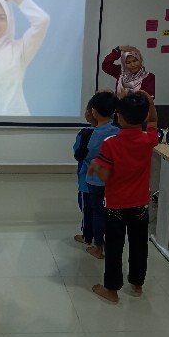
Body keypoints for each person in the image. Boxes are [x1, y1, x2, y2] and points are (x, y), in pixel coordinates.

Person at [87, 91, 159, 303]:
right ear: (143, 116)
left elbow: (105, 176)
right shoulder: (149, 139)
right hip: (140, 205)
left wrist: (95, 165)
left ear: (119, 116)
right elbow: (153, 121)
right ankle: (137, 282)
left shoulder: (110, 143)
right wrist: (150, 102)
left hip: (116, 205)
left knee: (114, 247)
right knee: (139, 245)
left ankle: (111, 289)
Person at [83, 91, 120, 259]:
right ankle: (113, 246)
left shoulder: (91, 134)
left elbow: (86, 156)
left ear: (94, 112)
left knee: (98, 213)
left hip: (96, 181)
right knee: (113, 214)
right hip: (114, 181)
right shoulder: (119, 132)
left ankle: (99, 248)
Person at [73, 102, 96, 245]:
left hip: (87, 182)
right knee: (100, 209)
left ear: (89, 113)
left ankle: (87, 236)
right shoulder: (115, 130)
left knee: (86, 208)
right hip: (107, 181)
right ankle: (100, 236)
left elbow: (78, 153)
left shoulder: (85, 134)